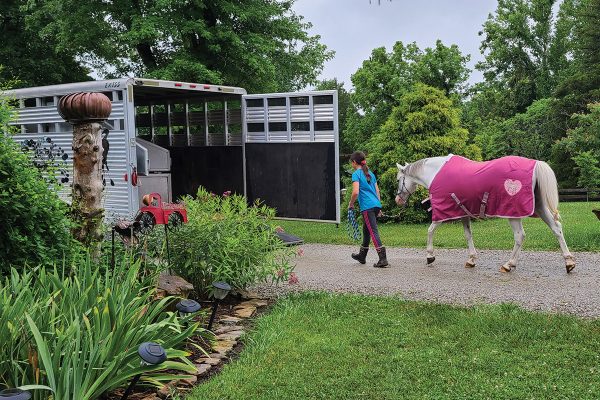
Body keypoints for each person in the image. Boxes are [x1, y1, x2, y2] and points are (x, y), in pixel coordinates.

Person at [348, 151, 388, 268]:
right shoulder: (370, 173)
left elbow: (355, 192)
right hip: (375, 205)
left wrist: (351, 204)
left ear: (355, 162)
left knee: (372, 231)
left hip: (367, 207)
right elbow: (377, 191)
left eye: (352, 163)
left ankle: (382, 258)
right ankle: (362, 255)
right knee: (366, 230)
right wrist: (379, 206)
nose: (352, 165)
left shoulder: (356, 174)